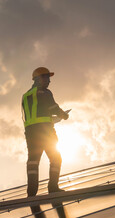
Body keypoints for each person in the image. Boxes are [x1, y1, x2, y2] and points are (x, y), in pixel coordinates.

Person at [22, 67, 69, 197]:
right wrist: (64, 115)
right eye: (46, 77)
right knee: (55, 158)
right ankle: (53, 188)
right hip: (45, 131)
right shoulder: (45, 92)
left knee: (33, 161)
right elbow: (54, 108)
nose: (48, 81)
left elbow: (35, 114)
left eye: (48, 78)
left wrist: (50, 119)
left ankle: (31, 193)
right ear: (37, 79)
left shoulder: (26, 96)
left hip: (31, 133)